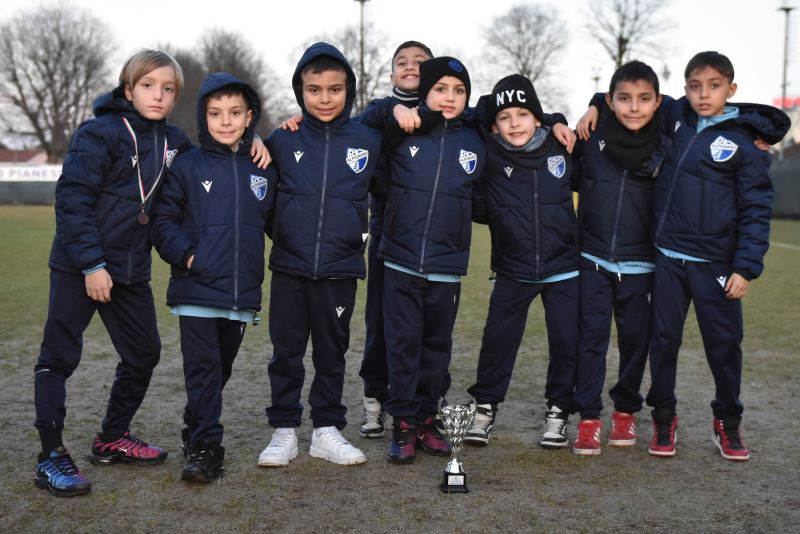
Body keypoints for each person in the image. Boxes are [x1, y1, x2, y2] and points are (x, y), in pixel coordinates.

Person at [32, 49, 270, 498]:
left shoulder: (174, 141)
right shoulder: (98, 133)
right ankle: (50, 455)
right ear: (128, 89)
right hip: (80, 265)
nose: (158, 95)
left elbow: (220, 150)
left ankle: (111, 437)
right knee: (58, 357)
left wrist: (254, 138)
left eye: (168, 88)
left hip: (131, 270)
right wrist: (91, 265)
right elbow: (72, 200)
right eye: (147, 86)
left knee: (143, 355)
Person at [580, 51, 790, 460]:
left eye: (713, 86)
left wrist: (746, 267)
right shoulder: (675, 117)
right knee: (663, 342)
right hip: (667, 259)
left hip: (716, 264)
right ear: (684, 90)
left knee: (723, 346)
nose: (703, 95)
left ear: (731, 89)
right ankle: (664, 418)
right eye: (695, 87)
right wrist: (593, 104)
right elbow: (629, 92)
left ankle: (727, 421)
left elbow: (756, 208)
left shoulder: (744, 142)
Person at [257, 42, 380, 467]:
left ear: (349, 90)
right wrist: (253, 137)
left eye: (334, 89)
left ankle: (327, 430)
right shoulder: (282, 139)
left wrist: (353, 237)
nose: (324, 98)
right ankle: (284, 430)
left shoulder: (368, 140)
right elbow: (257, 185)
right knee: (286, 352)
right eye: (314, 90)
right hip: (290, 266)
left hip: (340, 268)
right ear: (300, 91)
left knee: (332, 353)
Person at [150, 72, 276, 482]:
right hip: (196, 289)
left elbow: (275, 221)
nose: (225, 121)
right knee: (203, 371)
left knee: (219, 371)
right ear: (203, 117)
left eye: (234, 113)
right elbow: (163, 220)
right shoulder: (187, 165)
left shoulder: (263, 166)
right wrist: (189, 257)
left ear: (249, 116)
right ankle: (207, 447)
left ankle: (193, 427)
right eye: (215, 113)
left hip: (240, 293)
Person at [462, 75, 580, 449]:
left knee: (566, 341)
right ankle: (484, 408)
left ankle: (558, 411)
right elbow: (472, 115)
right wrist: (499, 216)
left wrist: (556, 120)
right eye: (505, 117)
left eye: (523, 114)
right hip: (512, 266)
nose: (514, 124)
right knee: (498, 340)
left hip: (564, 266)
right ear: (493, 125)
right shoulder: (489, 152)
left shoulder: (562, 146)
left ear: (537, 118)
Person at [379, 56, 486, 464]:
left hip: (447, 265)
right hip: (401, 260)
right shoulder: (403, 129)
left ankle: (426, 417)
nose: (449, 97)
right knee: (403, 345)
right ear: (424, 93)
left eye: (459, 91)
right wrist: (396, 110)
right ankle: (403, 423)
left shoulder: (476, 139)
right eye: (441, 89)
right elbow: (369, 126)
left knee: (436, 348)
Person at [569, 61, 669, 456]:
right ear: (611, 101)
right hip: (593, 259)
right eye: (624, 99)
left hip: (642, 264)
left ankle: (625, 409)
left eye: (644, 99)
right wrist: (590, 107)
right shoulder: (592, 135)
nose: (634, 107)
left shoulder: (667, 139)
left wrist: (597, 99)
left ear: (657, 102)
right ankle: (589, 417)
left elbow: (690, 105)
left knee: (634, 343)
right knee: (590, 340)